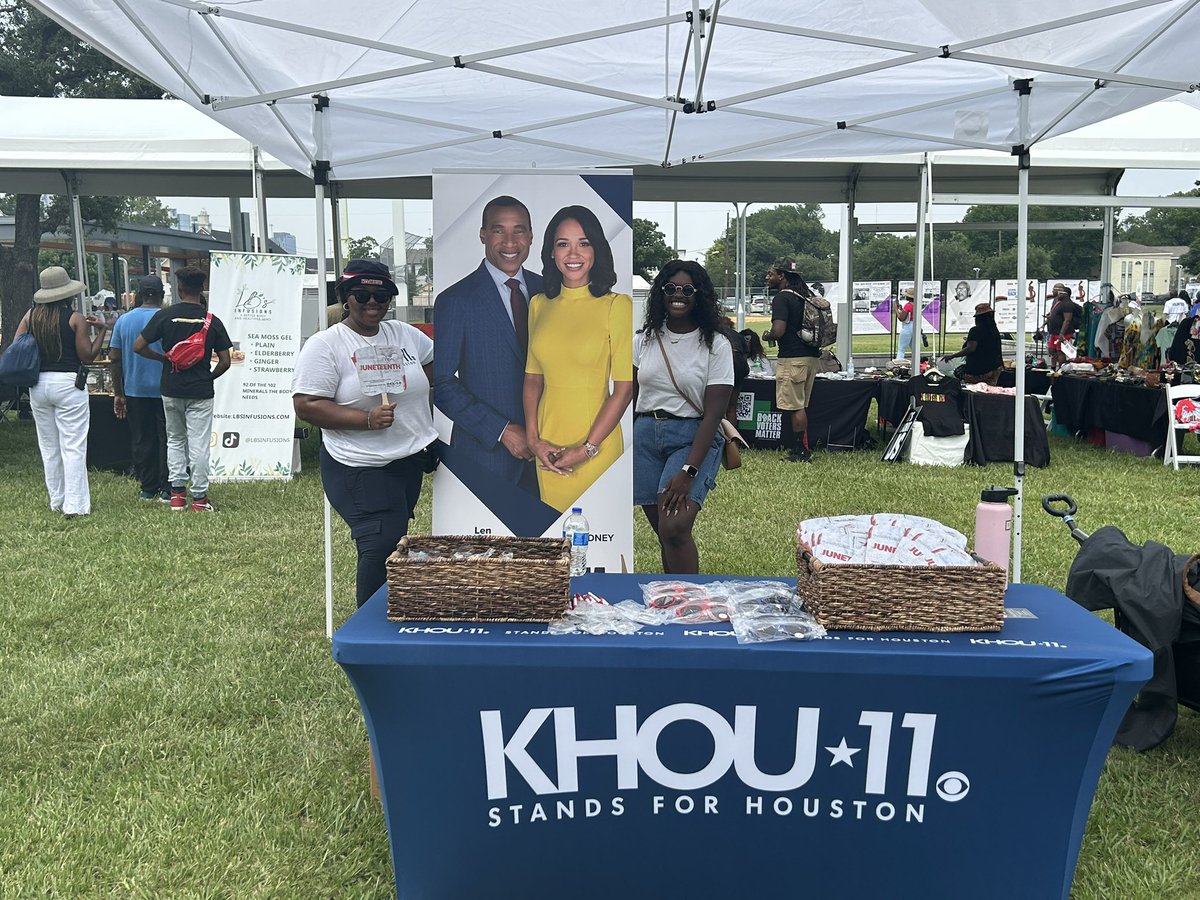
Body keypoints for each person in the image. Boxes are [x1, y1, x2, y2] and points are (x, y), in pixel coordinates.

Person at [292, 260, 437, 607]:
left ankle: (391, 615)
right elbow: (307, 404)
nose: (373, 302)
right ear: (345, 297)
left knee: (396, 538)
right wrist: (366, 419)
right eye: (362, 294)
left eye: (382, 295)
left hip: (407, 461)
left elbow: (433, 364)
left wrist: (417, 396)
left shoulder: (404, 334)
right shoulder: (326, 345)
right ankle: (370, 631)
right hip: (359, 465)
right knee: (380, 544)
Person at [523, 205, 633, 513]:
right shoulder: (538, 305)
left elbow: (623, 390)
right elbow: (533, 379)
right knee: (554, 547)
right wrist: (534, 441)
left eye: (584, 243)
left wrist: (587, 450)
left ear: (597, 249)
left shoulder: (617, 306)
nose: (574, 253)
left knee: (599, 546)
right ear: (551, 253)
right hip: (547, 447)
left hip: (597, 446)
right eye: (563, 244)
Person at [434, 195, 542, 496]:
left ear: (531, 236)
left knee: (549, 543)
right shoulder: (456, 300)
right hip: (485, 456)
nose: (510, 241)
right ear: (483, 234)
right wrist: (503, 430)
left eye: (519, 230)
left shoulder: (549, 291)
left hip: (551, 452)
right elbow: (441, 384)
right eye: (498, 230)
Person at [633, 261, 733, 574]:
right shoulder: (644, 340)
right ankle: (672, 599)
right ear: (660, 294)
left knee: (674, 528)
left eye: (687, 289)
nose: (678, 295)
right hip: (645, 437)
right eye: (670, 288)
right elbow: (630, 396)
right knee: (665, 532)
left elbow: (715, 412)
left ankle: (690, 603)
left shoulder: (716, 345)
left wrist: (688, 470)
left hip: (691, 436)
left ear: (699, 295)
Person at [134, 265, 232, 512]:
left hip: (170, 387)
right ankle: (199, 499)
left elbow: (139, 346)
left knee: (175, 439)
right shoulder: (211, 321)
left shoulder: (165, 316)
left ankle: (177, 495)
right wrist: (208, 377)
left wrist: (162, 359)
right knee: (199, 443)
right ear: (201, 290)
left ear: (179, 289)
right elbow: (226, 361)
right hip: (200, 390)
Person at [14, 266, 108, 517]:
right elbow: (88, 356)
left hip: (38, 384)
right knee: (73, 445)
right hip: (68, 383)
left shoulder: (30, 316)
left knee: (49, 445)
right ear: (67, 292)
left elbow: (17, 346)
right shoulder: (74, 317)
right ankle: (75, 505)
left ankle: (57, 500)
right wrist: (102, 330)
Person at [109, 275, 169, 501]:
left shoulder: (124, 321)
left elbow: (115, 358)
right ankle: (167, 487)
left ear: (138, 295)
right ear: (162, 296)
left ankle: (148, 487)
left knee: (142, 438)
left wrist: (118, 392)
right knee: (168, 438)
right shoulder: (167, 318)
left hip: (135, 389)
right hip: (165, 388)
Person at [762, 257, 820, 463]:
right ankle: (802, 448)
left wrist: (768, 335)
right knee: (801, 404)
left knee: (795, 406)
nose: (768, 277)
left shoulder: (782, 298)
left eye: (771, 274)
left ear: (782, 276)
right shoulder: (805, 295)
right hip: (811, 358)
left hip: (793, 358)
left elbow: (779, 331)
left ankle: (800, 451)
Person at [943, 302, 1004, 384]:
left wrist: (952, 356)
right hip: (995, 368)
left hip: (978, 370)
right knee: (989, 392)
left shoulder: (975, 330)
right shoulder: (994, 331)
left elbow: (971, 348)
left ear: (978, 318)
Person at [1045, 282, 1081, 368]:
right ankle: (1053, 368)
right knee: (1051, 350)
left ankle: (1061, 369)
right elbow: (1053, 315)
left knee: (1059, 351)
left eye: (1056, 291)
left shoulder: (1067, 304)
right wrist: (1044, 324)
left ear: (1064, 293)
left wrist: (1061, 334)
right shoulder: (1057, 302)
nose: (1055, 293)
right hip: (1054, 332)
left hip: (1063, 332)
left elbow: (1067, 320)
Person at [896, 287, 915, 359]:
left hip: (907, 326)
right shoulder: (916, 304)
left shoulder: (908, 305)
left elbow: (901, 318)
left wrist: (896, 310)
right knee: (914, 348)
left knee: (901, 349)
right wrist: (901, 309)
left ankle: (899, 364)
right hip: (915, 326)